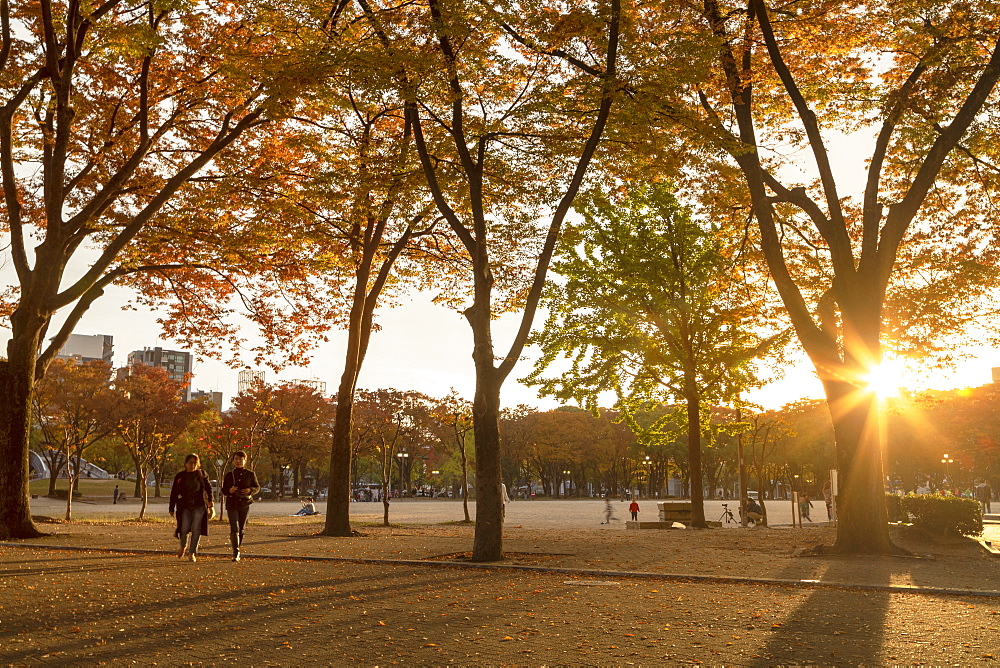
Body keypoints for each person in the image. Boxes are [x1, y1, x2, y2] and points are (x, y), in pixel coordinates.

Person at [168, 454, 214, 563]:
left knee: (196, 529)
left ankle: (192, 552)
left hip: (199, 505)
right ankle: (183, 546)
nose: (192, 465)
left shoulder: (202, 474)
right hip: (184, 506)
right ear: (185, 463)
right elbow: (174, 492)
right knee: (184, 528)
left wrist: (211, 502)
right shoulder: (180, 476)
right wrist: (171, 507)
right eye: (190, 462)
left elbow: (208, 488)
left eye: (195, 463)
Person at [223, 451, 260, 562]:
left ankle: (238, 546)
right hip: (232, 504)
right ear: (233, 461)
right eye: (236, 459)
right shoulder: (229, 475)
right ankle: (236, 551)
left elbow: (257, 487)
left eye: (240, 459)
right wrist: (230, 490)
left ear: (245, 460)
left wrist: (250, 490)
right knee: (234, 528)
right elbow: (224, 490)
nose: (238, 461)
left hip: (245, 504)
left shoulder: (250, 474)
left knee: (241, 529)